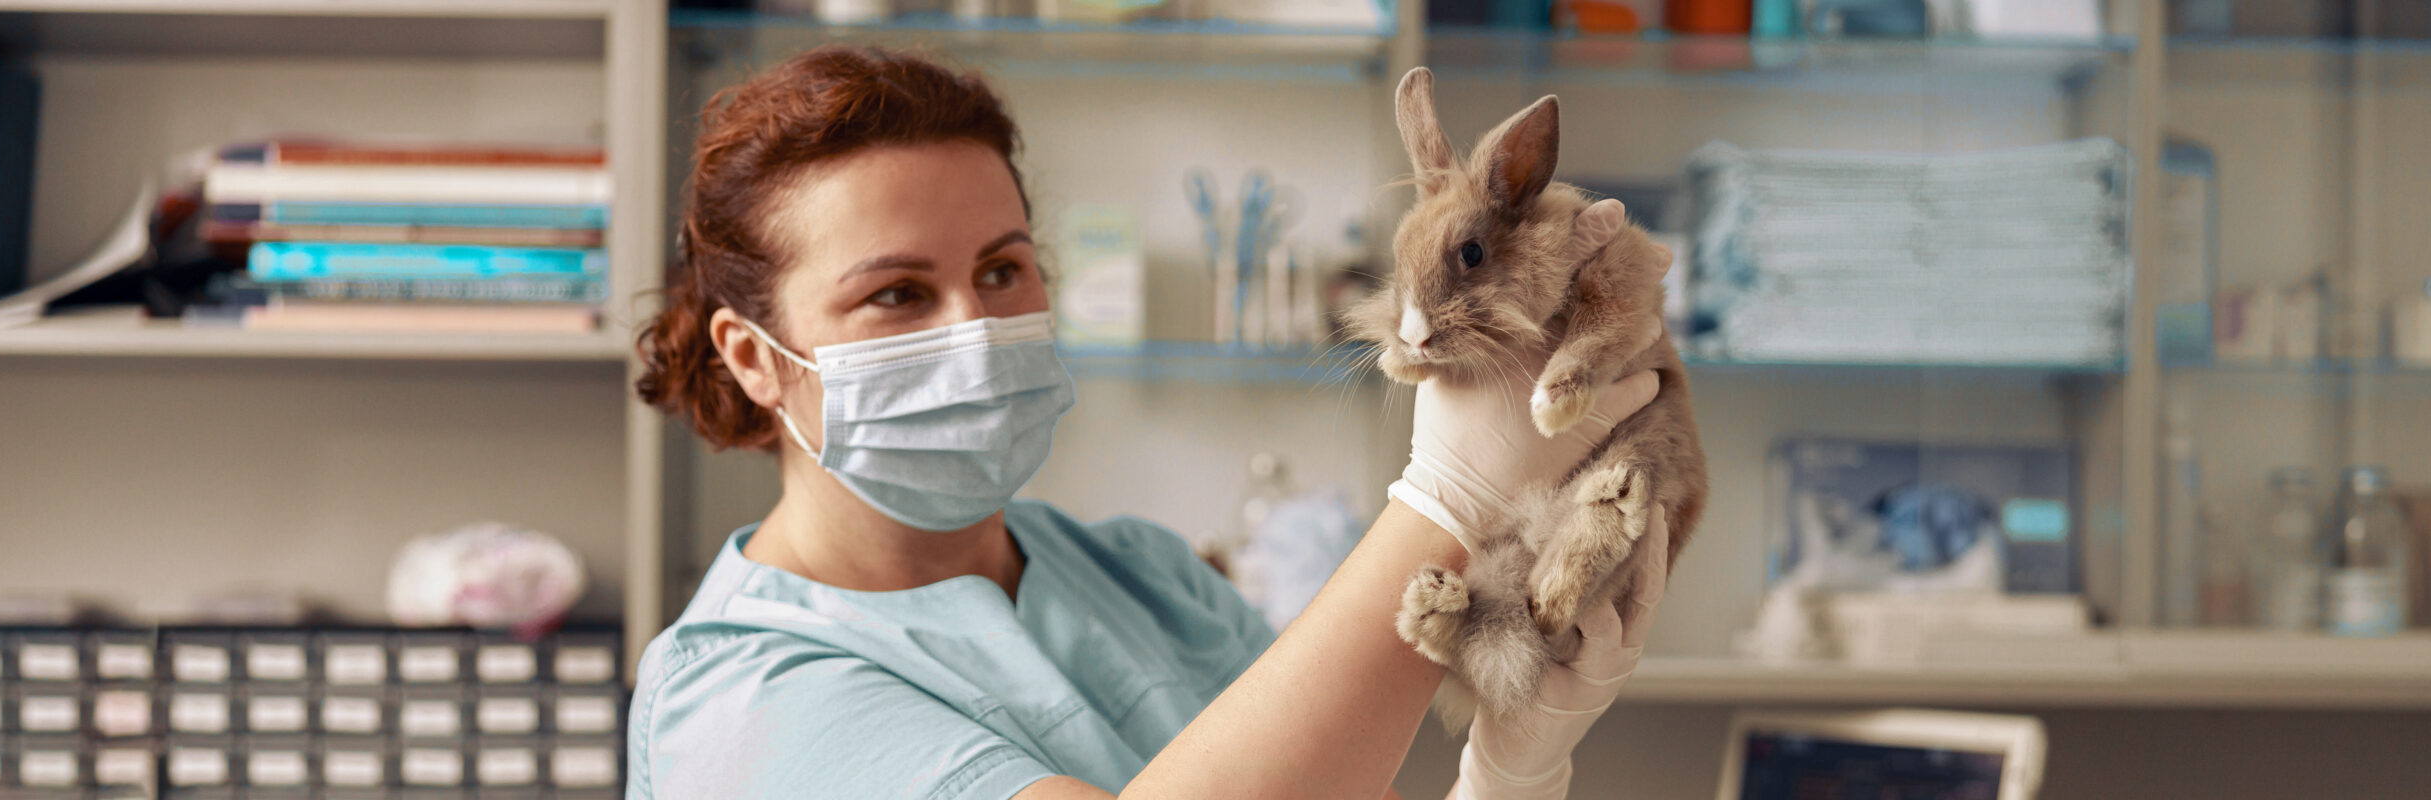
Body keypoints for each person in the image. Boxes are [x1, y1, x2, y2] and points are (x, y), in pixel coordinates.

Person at [628, 46, 1669, 800]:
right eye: (897, 293)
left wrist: (1505, 775)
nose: (979, 328)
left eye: (1001, 268)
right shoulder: (737, 699)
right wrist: (1446, 500)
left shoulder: (1139, 573)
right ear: (755, 359)